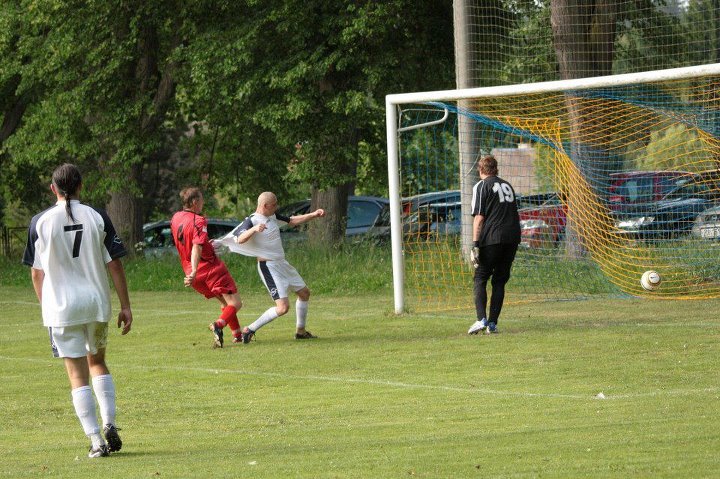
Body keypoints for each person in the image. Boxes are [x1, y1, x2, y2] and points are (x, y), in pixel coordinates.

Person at [23, 163, 133, 458]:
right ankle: (110, 423)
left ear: (53, 189)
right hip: (95, 303)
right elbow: (115, 263)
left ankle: (96, 440)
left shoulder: (40, 222)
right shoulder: (97, 216)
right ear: (81, 186)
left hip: (62, 308)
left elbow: (37, 273)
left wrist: (46, 305)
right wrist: (125, 305)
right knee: (97, 362)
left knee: (76, 375)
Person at [219, 191, 324, 343]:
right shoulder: (252, 220)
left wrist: (313, 214)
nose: (277, 207)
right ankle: (249, 329)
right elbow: (240, 238)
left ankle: (300, 332)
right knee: (282, 308)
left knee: (304, 293)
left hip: (282, 263)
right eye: (274, 205)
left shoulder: (272, 216)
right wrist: (254, 229)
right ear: (264, 205)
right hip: (269, 267)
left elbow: (292, 220)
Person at [170, 187, 243, 347]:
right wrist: (196, 268)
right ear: (195, 202)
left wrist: (194, 269)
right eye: (202, 200)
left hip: (190, 271)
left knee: (225, 303)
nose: (203, 203)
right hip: (209, 269)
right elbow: (196, 246)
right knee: (235, 304)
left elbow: (187, 242)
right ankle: (218, 325)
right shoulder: (199, 220)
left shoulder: (176, 217)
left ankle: (237, 335)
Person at [467, 155, 521, 335]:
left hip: (492, 238)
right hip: (512, 238)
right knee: (499, 280)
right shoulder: (508, 185)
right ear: (496, 169)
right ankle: (492, 324)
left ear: (480, 170)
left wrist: (475, 244)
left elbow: (479, 217)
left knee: (480, 277)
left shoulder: (481, 186)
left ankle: (481, 319)